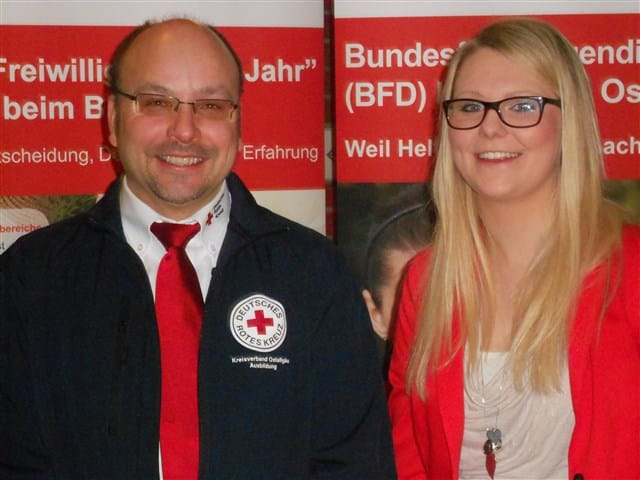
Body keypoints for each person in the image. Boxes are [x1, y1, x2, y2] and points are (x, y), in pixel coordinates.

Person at [0, 17, 396, 479]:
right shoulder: (32, 278)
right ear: (112, 120)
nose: (184, 131)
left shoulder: (315, 274)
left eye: (210, 105)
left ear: (238, 124)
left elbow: (354, 465)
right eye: (156, 102)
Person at [387, 18, 640, 480]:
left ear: (570, 122)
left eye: (522, 106)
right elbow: (409, 458)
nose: (490, 128)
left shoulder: (631, 271)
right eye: (469, 107)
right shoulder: (426, 282)